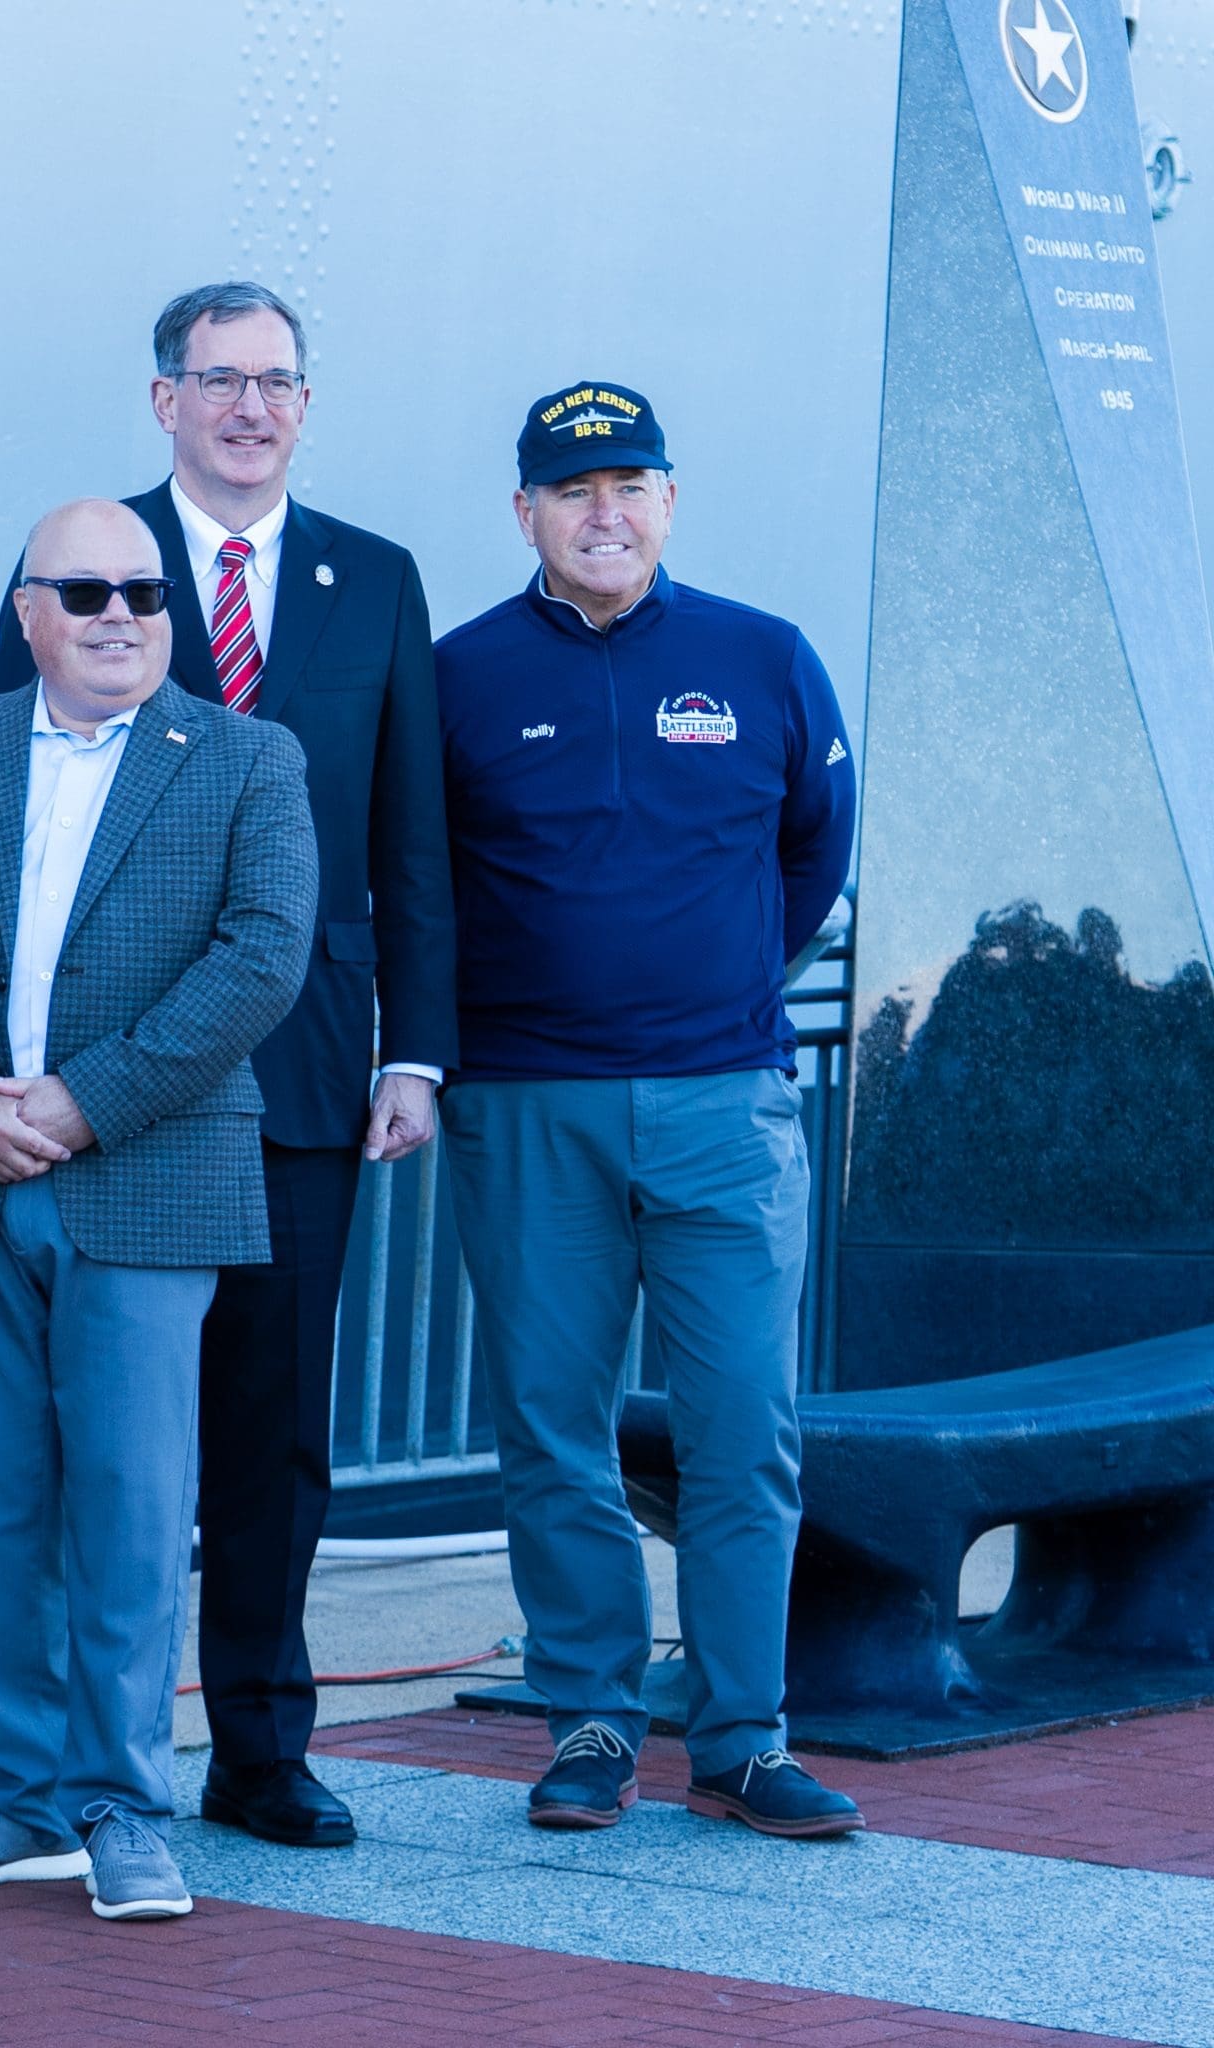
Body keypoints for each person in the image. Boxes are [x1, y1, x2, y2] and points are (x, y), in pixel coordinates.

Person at [0, 282, 455, 1850]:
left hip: (308, 1071)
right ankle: (62, 1769)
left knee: (272, 1427)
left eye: (278, 381)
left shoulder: (373, 579)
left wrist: (419, 1051)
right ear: (164, 398)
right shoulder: (80, 549)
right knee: (95, 1445)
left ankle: (257, 1748)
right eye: (219, 378)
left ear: (305, 405)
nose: (251, 406)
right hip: (105, 1088)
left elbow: (409, 838)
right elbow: (6, 812)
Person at [0, 498, 318, 1921]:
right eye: (84, 591)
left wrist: (79, 1104)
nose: (118, 613)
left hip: (145, 1178)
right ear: (27, 614)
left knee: (131, 1510)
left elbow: (262, 962)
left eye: (142, 590)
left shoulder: (249, 757)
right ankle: (13, 1804)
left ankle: (125, 1807)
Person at [434, 381, 861, 1838]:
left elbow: (814, 856)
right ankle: (596, 1720)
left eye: (629, 486)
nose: (602, 513)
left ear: (670, 500)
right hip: (526, 1109)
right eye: (572, 491)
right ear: (525, 515)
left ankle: (743, 1735)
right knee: (556, 1430)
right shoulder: (458, 678)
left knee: (744, 1428)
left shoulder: (764, 657)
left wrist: (713, 985)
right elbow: (419, 890)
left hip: (719, 1105)